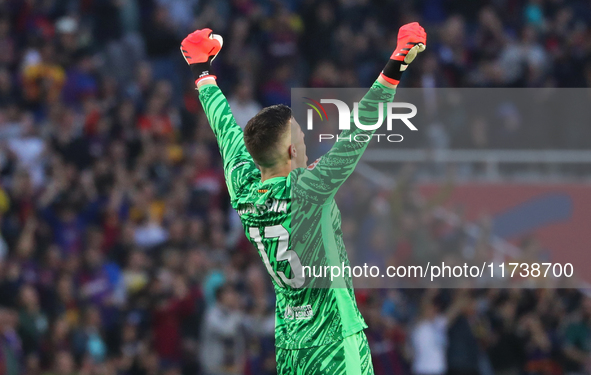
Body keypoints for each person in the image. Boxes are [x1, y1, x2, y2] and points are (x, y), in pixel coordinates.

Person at [181, 24, 427, 375]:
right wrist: (397, 61)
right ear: (292, 149)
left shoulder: (243, 187)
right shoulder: (310, 189)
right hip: (335, 342)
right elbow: (362, 126)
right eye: (300, 134)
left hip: (291, 345)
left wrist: (201, 70)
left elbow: (226, 130)